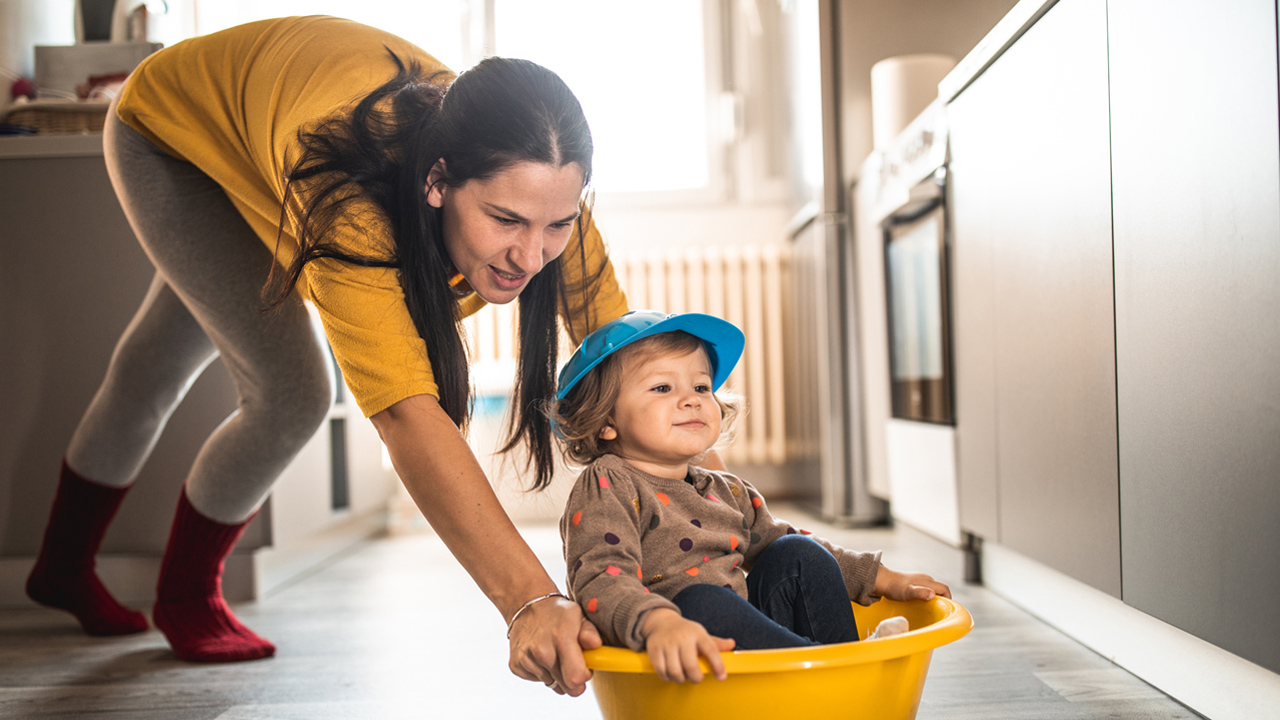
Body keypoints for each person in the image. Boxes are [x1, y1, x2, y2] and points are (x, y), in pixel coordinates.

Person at [24, 15, 626, 693]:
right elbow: (406, 414)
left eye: (557, 226)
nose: (531, 254)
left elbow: (639, 370)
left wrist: (724, 523)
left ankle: (61, 566)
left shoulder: (535, 182)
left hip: (265, 137)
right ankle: (184, 593)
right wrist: (532, 600)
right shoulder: (351, 203)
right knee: (289, 393)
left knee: (152, 365)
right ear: (437, 182)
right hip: (173, 139)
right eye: (505, 222)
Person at [553, 310, 952, 683]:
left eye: (701, 386)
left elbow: (783, 545)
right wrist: (657, 623)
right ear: (605, 420)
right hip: (677, 656)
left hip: (749, 649)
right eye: (662, 387)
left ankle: (841, 659)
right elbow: (600, 577)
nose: (692, 398)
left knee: (798, 551)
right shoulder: (609, 484)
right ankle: (841, 679)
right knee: (702, 605)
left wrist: (888, 580)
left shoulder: (726, 490)